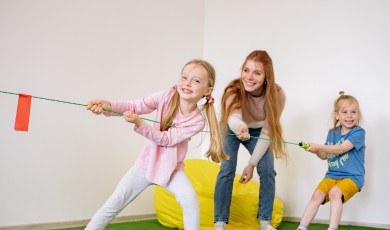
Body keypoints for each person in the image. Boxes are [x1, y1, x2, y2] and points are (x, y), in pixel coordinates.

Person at [85, 59, 228, 230]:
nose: (188, 83)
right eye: (184, 77)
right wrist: (109, 107)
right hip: (145, 164)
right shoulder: (166, 96)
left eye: (196, 81)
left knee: (189, 199)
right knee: (116, 200)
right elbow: (137, 106)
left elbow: (166, 139)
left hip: (172, 170)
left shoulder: (197, 122)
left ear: (208, 90)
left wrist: (140, 123)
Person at [214, 50, 287, 230]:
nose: (249, 77)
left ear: (266, 77)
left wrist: (251, 164)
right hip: (232, 126)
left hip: (258, 131)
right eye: (246, 70)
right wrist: (239, 127)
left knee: (268, 169)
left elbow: (267, 131)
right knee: (227, 169)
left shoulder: (277, 94)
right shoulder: (233, 90)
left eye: (257, 73)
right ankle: (220, 221)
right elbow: (232, 118)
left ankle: (264, 221)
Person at [297, 91, 365, 230]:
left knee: (335, 192)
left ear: (358, 115)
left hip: (352, 178)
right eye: (345, 112)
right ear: (337, 116)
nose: (349, 116)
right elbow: (325, 155)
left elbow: (341, 149)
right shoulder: (332, 133)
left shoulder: (358, 132)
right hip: (331, 176)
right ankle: (301, 228)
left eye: (353, 112)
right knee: (317, 195)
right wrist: (315, 150)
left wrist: (319, 146)